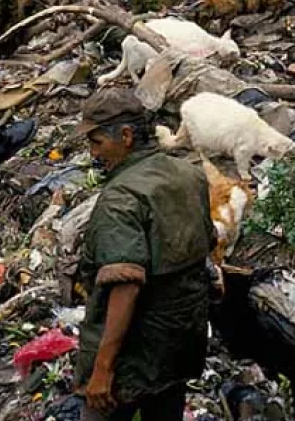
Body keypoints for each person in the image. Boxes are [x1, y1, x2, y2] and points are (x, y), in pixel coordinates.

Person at [72, 88, 216, 421]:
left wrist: (102, 369)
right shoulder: (190, 175)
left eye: (97, 142)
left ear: (125, 136)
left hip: (132, 356)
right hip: (180, 346)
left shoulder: (121, 197)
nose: (93, 153)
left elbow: (126, 285)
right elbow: (206, 248)